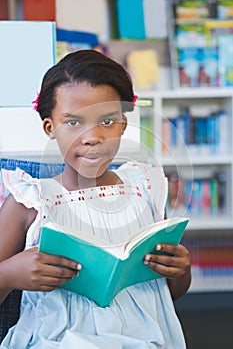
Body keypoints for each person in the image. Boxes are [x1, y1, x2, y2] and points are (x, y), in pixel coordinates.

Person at [0, 50, 191, 348]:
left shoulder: (146, 189)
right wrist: (8, 275)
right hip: (59, 340)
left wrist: (180, 270)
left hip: (146, 339)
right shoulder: (30, 200)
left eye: (107, 121)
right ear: (50, 128)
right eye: (74, 123)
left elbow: (168, 294)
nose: (92, 137)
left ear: (123, 126)